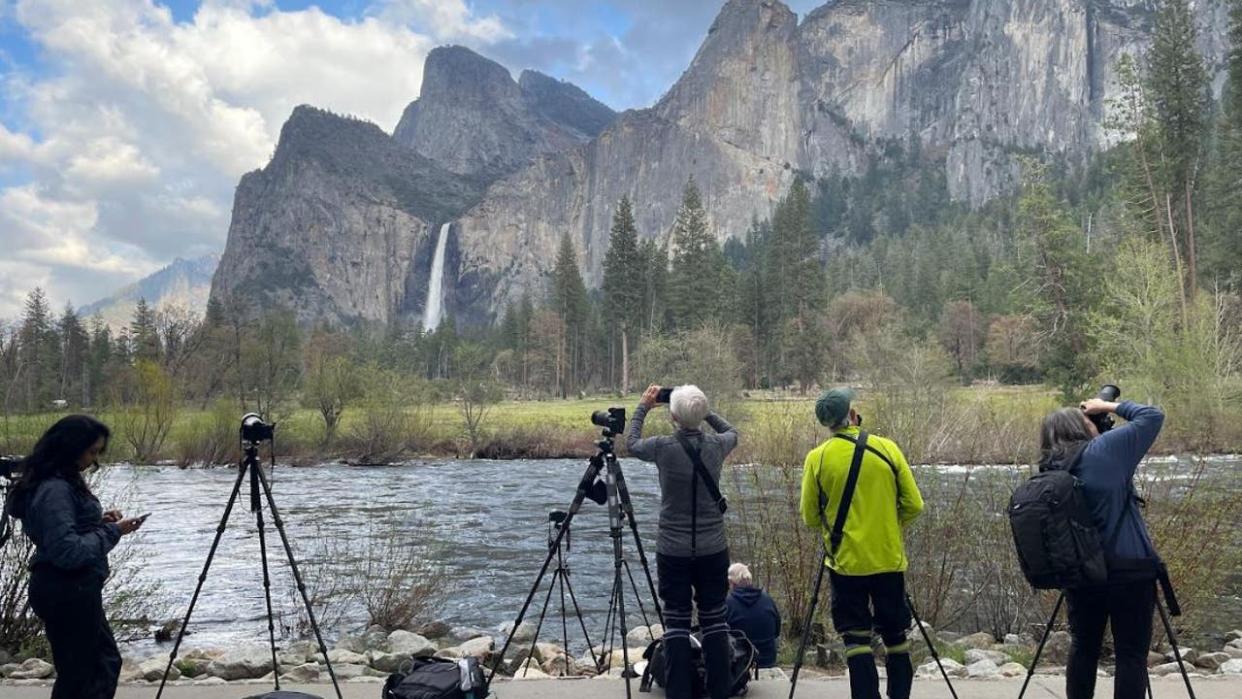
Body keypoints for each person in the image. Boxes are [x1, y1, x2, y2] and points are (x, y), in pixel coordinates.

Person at [4, 415, 146, 698]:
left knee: (92, 669)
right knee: (90, 674)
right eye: (92, 452)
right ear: (72, 448)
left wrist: (96, 521)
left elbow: (60, 529)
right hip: (67, 588)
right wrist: (112, 532)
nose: (94, 461)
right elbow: (68, 551)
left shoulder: (54, 482)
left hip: (68, 588)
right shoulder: (55, 488)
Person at [799, 388, 924, 699]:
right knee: (896, 635)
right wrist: (891, 527)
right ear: (853, 415)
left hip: (845, 561)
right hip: (888, 558)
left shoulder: (817, 458)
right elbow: (914, 504)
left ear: (827, 424)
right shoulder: (888, 448)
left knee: (856, 639)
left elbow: (810, 518)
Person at [1039, 397, 1165, 699]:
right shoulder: (1104, 451)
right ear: (1082, 427)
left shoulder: (1049, 467)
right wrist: (1106, 405)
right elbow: (1151, 416)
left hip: (1080, 573)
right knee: (1131, 655)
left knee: (1083, 648)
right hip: (1129, 569)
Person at [627, 384, 738, 699]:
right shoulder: (717, 445)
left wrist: (644, 406)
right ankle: (720, 691)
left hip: (672, 548)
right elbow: (733, 431)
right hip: (713, 546)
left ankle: (678, 692)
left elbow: (632, 443)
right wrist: (704, 410)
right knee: (715, 618)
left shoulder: (663, 447)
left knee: (675, 619)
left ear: (672, 416)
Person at [725, 562, 781, 668]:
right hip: (767, 660)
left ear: (731, 582)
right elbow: (777, 631)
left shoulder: (727, 603)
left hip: (740, 664)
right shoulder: (767, 599)